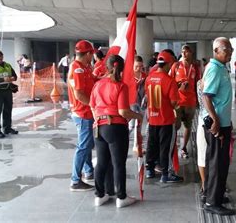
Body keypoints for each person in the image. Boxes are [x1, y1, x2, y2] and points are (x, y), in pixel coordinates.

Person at [89, 55, 143, 208]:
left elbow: (92, 107)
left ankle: (99, 196)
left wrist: (100, 120)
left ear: (106, 66)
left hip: (98, 126)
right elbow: (123, 111)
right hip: (116, 127)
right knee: (118, 163)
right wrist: (138, 115)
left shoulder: (98, 84)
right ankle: (121, 197)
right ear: (122, 67)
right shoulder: (120, 85)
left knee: (101, 162)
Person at [202, 37, 236, 215]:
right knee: (217, 163)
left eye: (230, 49)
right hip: (218, 125)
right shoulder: (215, 69)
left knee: (215, 161)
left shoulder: (220, 68)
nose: (229, 52)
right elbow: (207, 96)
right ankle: (212, 203)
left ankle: (212, 194)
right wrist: (215, 120)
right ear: (216, 51)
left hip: (222, 123)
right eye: (226, 49)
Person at [145, 50, 183, 183]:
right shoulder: (169, 81)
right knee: (166, 147)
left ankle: (149, 170)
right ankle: (166, 174)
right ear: (167, 64)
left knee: (151, 145)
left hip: (152, 119)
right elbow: (174, 103)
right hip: (166, 120)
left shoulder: (149, 78)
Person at [68, 40, 96, 191]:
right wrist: (93, 105)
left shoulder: (84, 67)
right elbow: (79, 94)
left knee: (86, 144)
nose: (92, 56)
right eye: (91, 53)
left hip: (84, 112)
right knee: (83, 146)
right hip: (83, 112)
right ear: (87, 54)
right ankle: (75, 180)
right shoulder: (77, 69)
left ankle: (88, 171)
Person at [169, 45, 200, 159]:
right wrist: (178, 87)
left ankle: (183, 148)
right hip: (178, 102)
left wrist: (198, 100)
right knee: (175, 126)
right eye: (183, 52)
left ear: (191, 53)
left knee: (188, 126)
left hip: (190, 102)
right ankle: (172, 147)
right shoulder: (176, 66)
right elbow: (169, 83)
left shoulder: (195, 67)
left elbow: (198, 84)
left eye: (187, 52)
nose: (184, 54)